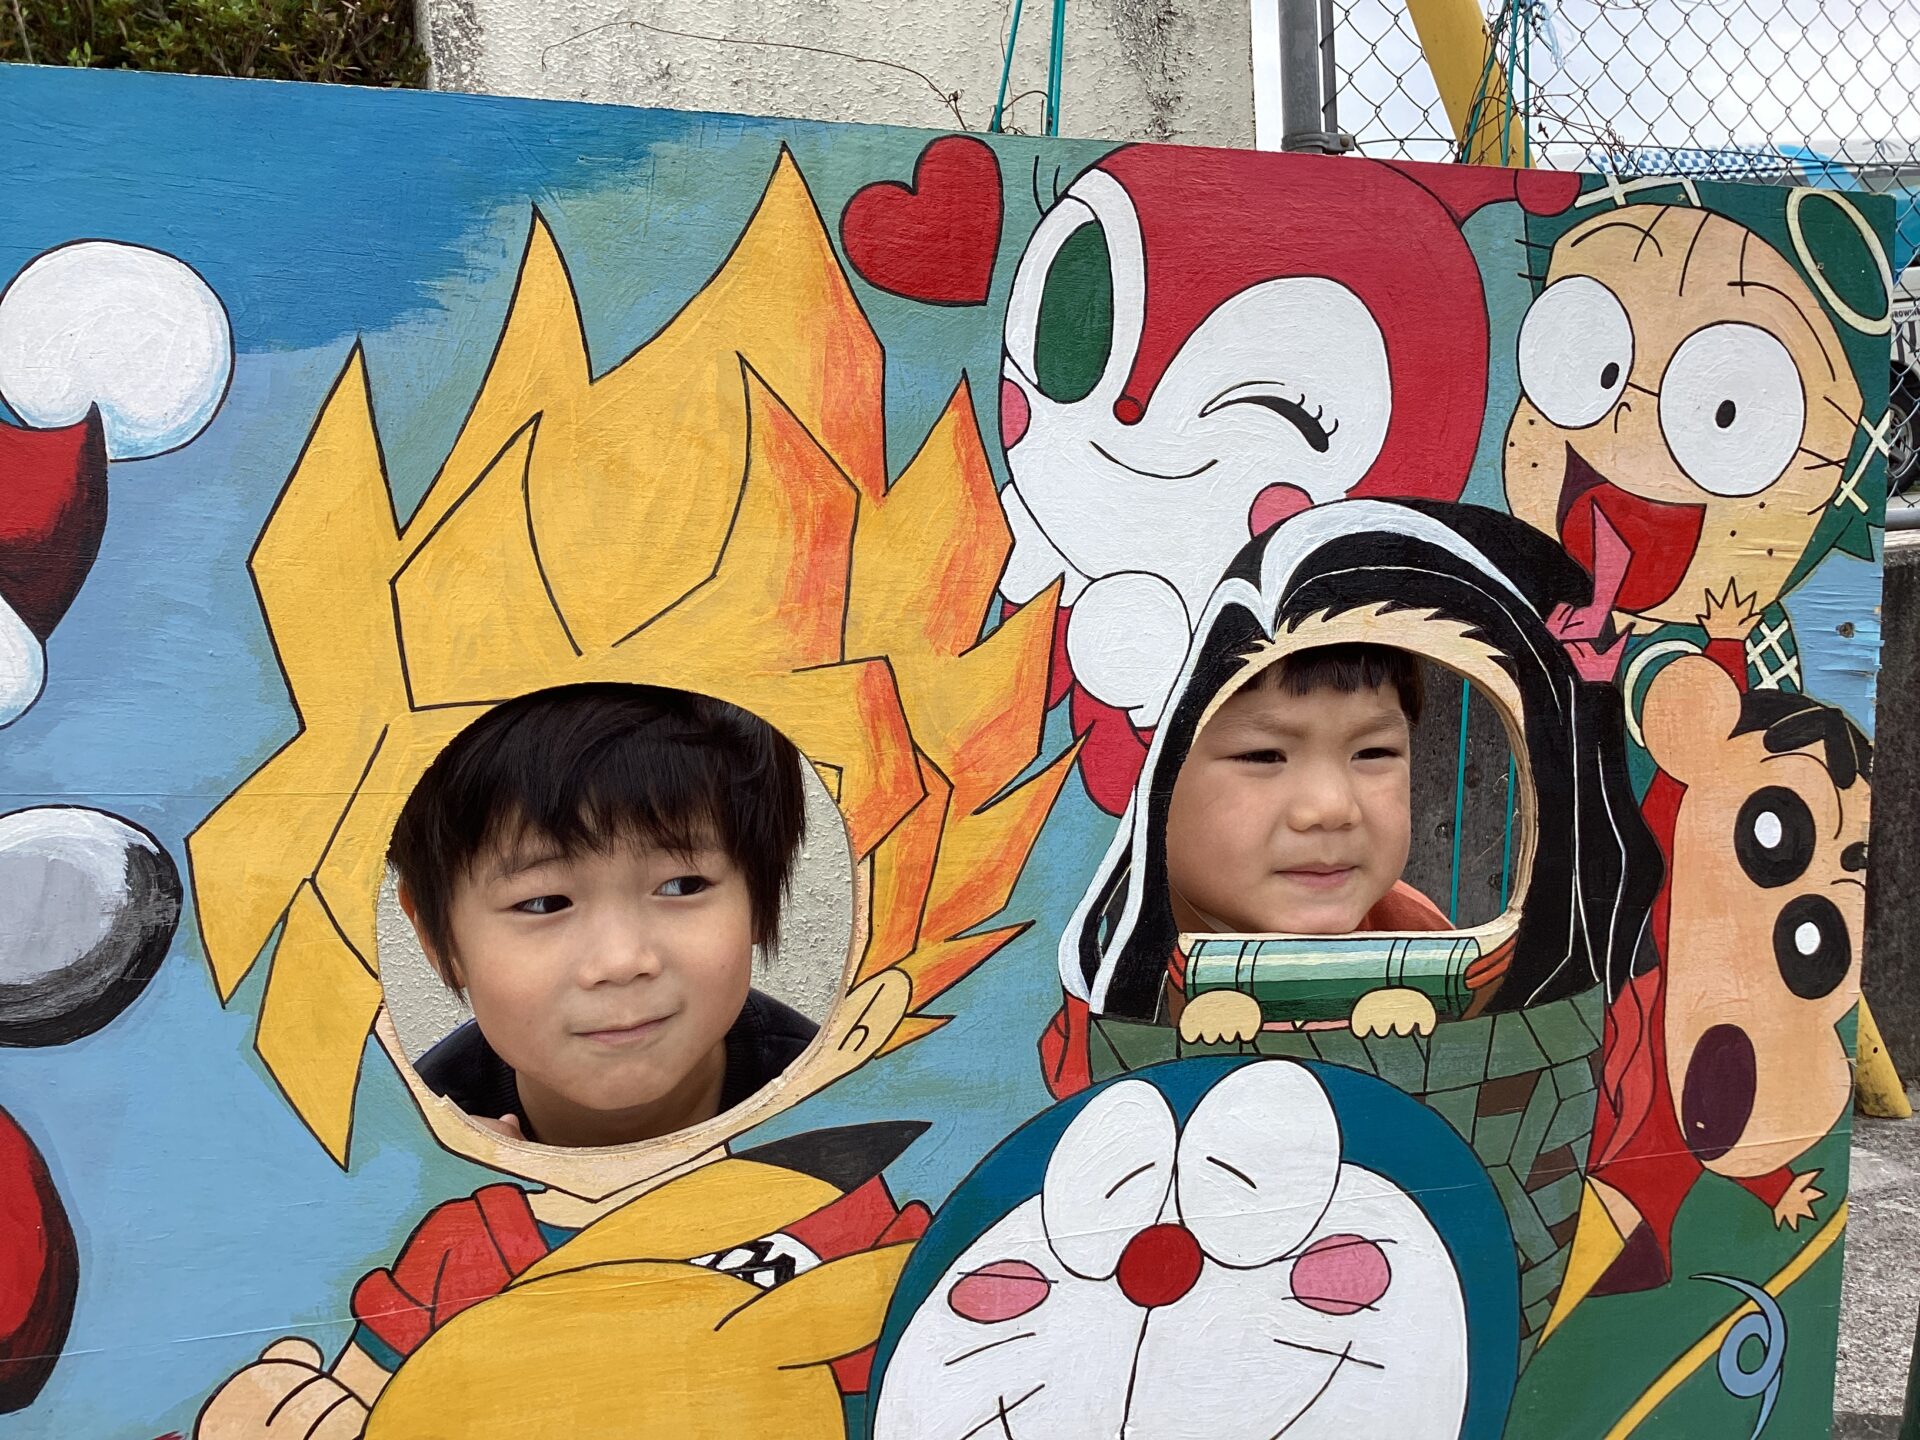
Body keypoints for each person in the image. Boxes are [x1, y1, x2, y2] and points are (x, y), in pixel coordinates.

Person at [386, 682, 816, 1149]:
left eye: (682, 885)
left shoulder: (842, 1103)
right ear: (437, 938)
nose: (621, 962)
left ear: (759, 896)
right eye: (545, 903)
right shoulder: (398, 1152)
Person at [1160, 642, 1450, 1042]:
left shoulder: (1425, 942)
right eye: (1263, 756)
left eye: (1373, 752)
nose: (1332, 807)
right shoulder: (1088, 963)